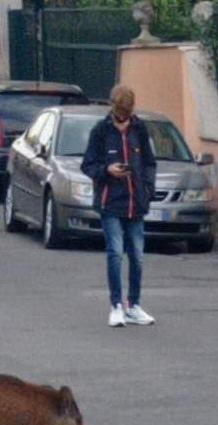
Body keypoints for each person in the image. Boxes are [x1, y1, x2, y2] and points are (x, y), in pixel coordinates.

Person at [81, 84, 157, 328]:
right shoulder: (100, 131)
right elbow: (88, 165)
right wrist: (107, 170)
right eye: (120, 113)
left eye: (127, 113)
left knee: (137, 256)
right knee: (115, 253)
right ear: (113, 108)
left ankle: (133, 304)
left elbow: (148, 163)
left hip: (136, 203)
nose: (123, 119)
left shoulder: (140, 129)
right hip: (110, 202)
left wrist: (147, 188)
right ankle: (116, 305)